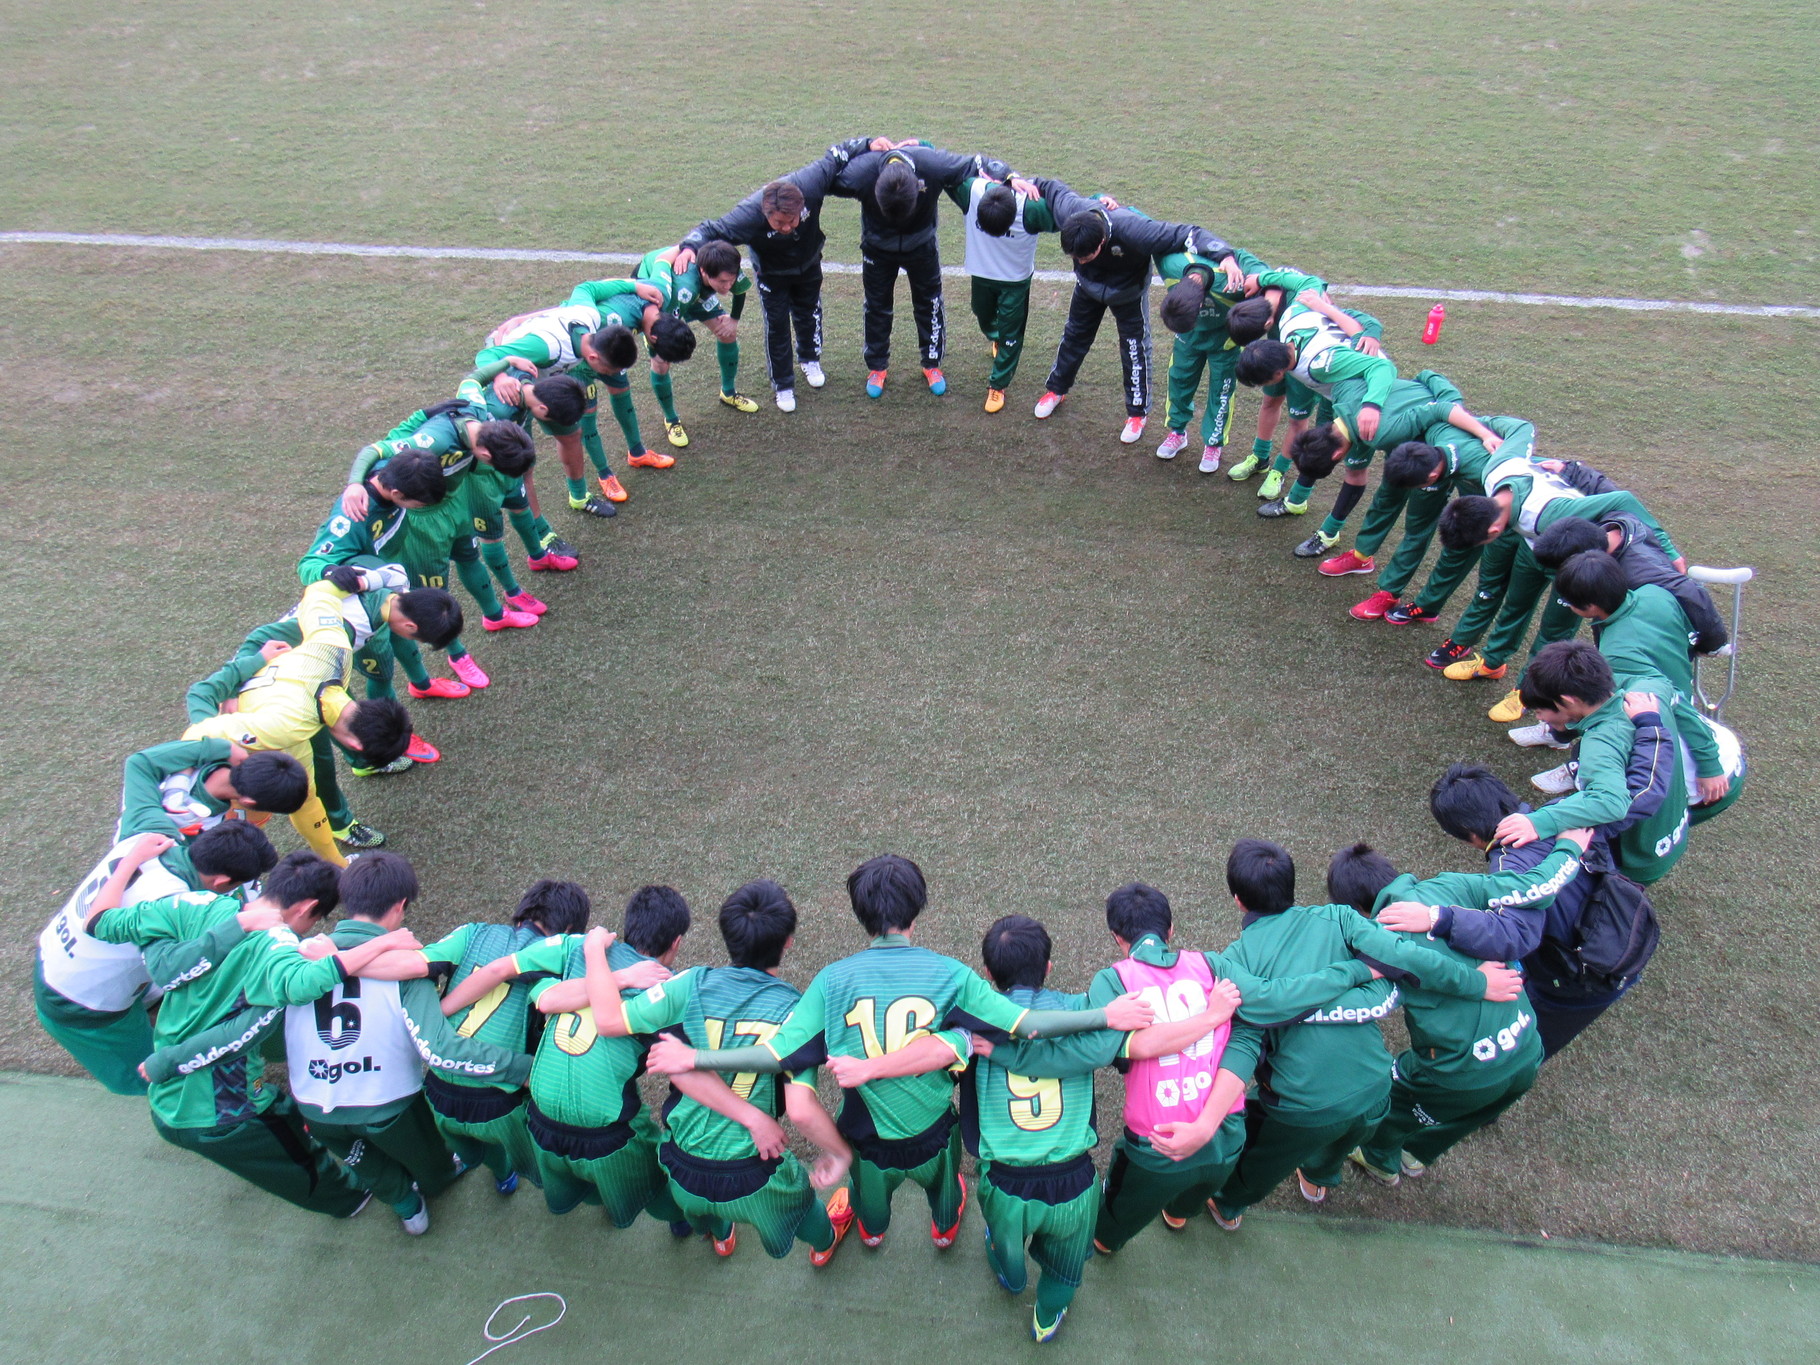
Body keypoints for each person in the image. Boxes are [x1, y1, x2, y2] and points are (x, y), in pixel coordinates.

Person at [642, 854, 1157, 1251]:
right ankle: (943, 1231)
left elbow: (774, 1055)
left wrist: (697, 1059)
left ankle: (869, 1236)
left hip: (869, 1142)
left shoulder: (831, 980)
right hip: (934, 1132)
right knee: (946, 1195)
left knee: (873, 1213)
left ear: (860, 914)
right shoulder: (953, 975)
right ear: (918, 909)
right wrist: (1106, 1016)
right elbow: (1030, 1025)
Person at [135, 852, 532, 1234]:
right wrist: (525, 1069)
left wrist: (167, 1061)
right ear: (402, 906)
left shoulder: (296, 955)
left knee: (365, 1162)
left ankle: (407, 1209)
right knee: (433, 1164)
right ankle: (431, 1188)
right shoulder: (408, 971)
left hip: (316, 1106)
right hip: (387, 1103)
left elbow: (255, 1037)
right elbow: (442, 1051)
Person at [89, 848, 421, 1216]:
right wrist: (384, 943)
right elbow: (304, 983)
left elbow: (100, 922)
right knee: (298, 1161)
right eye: (315, 919)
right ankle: (350, 1199)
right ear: (305, 908)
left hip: (170, 1094)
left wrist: (131, 859)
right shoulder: (280, 949)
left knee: (287, 1113)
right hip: (221, 1113)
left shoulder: (199, 904)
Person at [1209, 840, 1524, 1225]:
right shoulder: (1341, 919)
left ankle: (1227, 1207)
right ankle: (1318, 1177)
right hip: (1377, 1089)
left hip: (1303, 1104)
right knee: (1343, 1138)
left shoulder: (1233, 961)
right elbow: (1410, 958)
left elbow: (1261, 1006)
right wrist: (1475, 983)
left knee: (1263, 1159)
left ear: (1238, 900)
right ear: (1292, 885)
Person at [585, 880, 858, 1264]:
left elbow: (608, 1019)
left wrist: (593, 949)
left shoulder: (689, 983)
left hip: (681, 1163)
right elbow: (800, 1110)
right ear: (788, 942)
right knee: (801, 1210)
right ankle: (825, 1243)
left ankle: (721, 1237)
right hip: (753, 1173)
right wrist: (839, 1152)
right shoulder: (795, 1012)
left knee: (703, 1213)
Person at [428, 884, 679, 1222]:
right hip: (594, 1125)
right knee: (645, 1189)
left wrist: (438, 1012)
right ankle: (670, 1220)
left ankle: (506, 1175)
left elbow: (535, 992)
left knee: (554, 1183)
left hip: (508, 1106)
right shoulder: (672, 989)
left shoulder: (566, 948)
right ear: (676, 942)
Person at [1407, 759, 1666, 1055]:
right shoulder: (1567, 811)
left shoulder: (1510, 867)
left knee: (1531, 1041)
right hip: (1632, 927)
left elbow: (1512, 937)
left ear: (1469, 832)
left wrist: (1438, 919)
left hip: (1586, 977)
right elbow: (1638, 795)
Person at [1326, 844, 1547, 1186]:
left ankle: (1379, 1160)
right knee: (1477, 1110)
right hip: (1528, 1047)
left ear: (1355, 908)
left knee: (1392, 1097)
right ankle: (1417, 1155)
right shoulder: (1450, 885)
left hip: (1461, 1072)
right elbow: (1514, 890)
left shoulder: (1381, 943)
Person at [1427, 454, 1682, 726]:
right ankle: (1492, 662)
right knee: (1516, 605)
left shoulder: (1552, 513)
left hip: (1573, 561)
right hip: (1533, 548)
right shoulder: (1499, 483)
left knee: (1555, 630)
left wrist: (1668, 549)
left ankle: (1525, 691)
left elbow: (1624, 499)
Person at [183, 569, 419, 855]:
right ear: (356, 745)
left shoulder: (336, 648)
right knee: (239, 826)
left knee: (306, 797)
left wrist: (364, 578)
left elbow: (321, 592)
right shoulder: (287, 726)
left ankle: (337, 863)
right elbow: (197, 732)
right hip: (209, 781)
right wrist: (226, 751)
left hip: (282, 726)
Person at [35, 822, 277, 1094]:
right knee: (153, 1075)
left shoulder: (144, 843)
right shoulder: (172, 904)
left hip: (57, 954)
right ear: (221, 882)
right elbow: (170, 969)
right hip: (80, 1000)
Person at [338, 408, 543, 691]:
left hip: (456, 505)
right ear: (485, 454)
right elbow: (375, 449)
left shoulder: (477, 416)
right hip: (424, 526)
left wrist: (508, 362)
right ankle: (458, 656)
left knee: (471, 556)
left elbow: (472, 382)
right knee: (436, 598)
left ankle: (495, 615)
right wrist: (354, 485)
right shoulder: (433, 441)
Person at [674, 137, 884, 411]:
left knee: (810, 312)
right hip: (772, 274)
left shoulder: (810, 182)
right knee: (777, 326)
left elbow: (837, 154)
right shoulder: (748, 215)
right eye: (778, 223)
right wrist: (688, 247)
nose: (786, 227)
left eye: (792, 220)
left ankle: (810, 359)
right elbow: (711, 229)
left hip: (809, 263)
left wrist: (870, 143)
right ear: (766, 213)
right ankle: (783, 384)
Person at [1025, 175, 1237, 442]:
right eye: (1074, 256)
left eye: (1084, 256)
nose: (1079, 260)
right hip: (1087, 288)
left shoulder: (1135, 230)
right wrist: (1018, 180)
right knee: (1074, 336)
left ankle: (1137, 414)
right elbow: (1051, 187)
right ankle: (1056, 389)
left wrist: (1225, 255)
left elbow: (1188, 234)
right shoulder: (1072, 210)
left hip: (1128, 293)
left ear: (1101, 243)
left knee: (1135, 349)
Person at [1497, 641, 1718, 884]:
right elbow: (1665, 684)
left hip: (1636, 853)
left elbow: (1610, 803)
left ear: (1567, 701)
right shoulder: (1646, 691)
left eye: (1539, 712)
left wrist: (1539, 821)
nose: (1540, 718)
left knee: (1611, 908)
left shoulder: (1600, 744)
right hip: (1673, 825)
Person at [473, 277, 683, 514]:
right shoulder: (547, 347)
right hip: (511, 385)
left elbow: (587, 288)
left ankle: (579, 497)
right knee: (524, 463)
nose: (609, 376)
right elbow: (486, 356)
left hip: (544, 386)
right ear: (593, 359)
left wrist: (634, 286)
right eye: (608, 370)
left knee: (572, 435)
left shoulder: (588, 318)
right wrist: (500, 378)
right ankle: (541, 536)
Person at [1155, 248, 1356, 474]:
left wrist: (1355, 327)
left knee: (1298, 416)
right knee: (1268, 402)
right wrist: (1245, 269)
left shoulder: (1301, 333)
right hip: (1276, 356)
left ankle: (1276, 471)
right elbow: (1251, 260)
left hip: (1302, 364)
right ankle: (1257, 457)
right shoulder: (1272, 309)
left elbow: (1310, 284)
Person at [1273, 371, 1506, 560]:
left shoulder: (1381, 435)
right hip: (1419, 413)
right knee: (1388, 495)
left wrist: (1484, 434)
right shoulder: (1341, 392)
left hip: (1438, 442)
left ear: (1336, 454)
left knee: (1418, 512)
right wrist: (1423, 379)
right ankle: (1361, 554)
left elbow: (1441, 409)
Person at [831, 141, 988, 398]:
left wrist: (1012, 177)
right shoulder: (862, 174)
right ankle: (877, 367)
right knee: (877, 306)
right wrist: (863, 144)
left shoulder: (932, 166)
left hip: (922, 247)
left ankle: (932, 363)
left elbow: (977, 164)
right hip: (877, 250)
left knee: (930, 303)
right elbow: (823, 176)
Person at [1347, 416, 1537, 624]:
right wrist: (1480, 427)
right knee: (1417, 527)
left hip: (1487, 491)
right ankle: (1390, 593)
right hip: (1451, 469)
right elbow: (1440, 405)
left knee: (1460, 547)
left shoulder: (1489, 471)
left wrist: (1495, 438)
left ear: (1429, 477)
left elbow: (1523, 427)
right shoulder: (1437, 431)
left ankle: (1428, 606)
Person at [945, 169, 1051, 413]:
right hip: (982, 275)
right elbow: (944, 171)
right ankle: (996, 336)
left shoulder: (1032, 208)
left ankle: (998, 384)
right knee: (981, 312)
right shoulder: (973, 191)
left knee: (1011, 332)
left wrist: (1099, 201)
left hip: (1015, 281)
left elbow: (1066, 212)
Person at [635, 240, 757, 444]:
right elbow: (661, 321)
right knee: (661, 360)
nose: (727, 287)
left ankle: (728, 393)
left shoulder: (727, 266)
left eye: (730, 280)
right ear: (703, 272)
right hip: (659, 294)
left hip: (695, 289)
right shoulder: (684, 288)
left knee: (727, 334)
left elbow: (739, 290)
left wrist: (733, 319)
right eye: (722, 282)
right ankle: (671, 420)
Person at [116, 737, 307, 843]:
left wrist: (218, 747)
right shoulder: (205, 832)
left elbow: (139, 763)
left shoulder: (197, 754)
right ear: (249, 802)